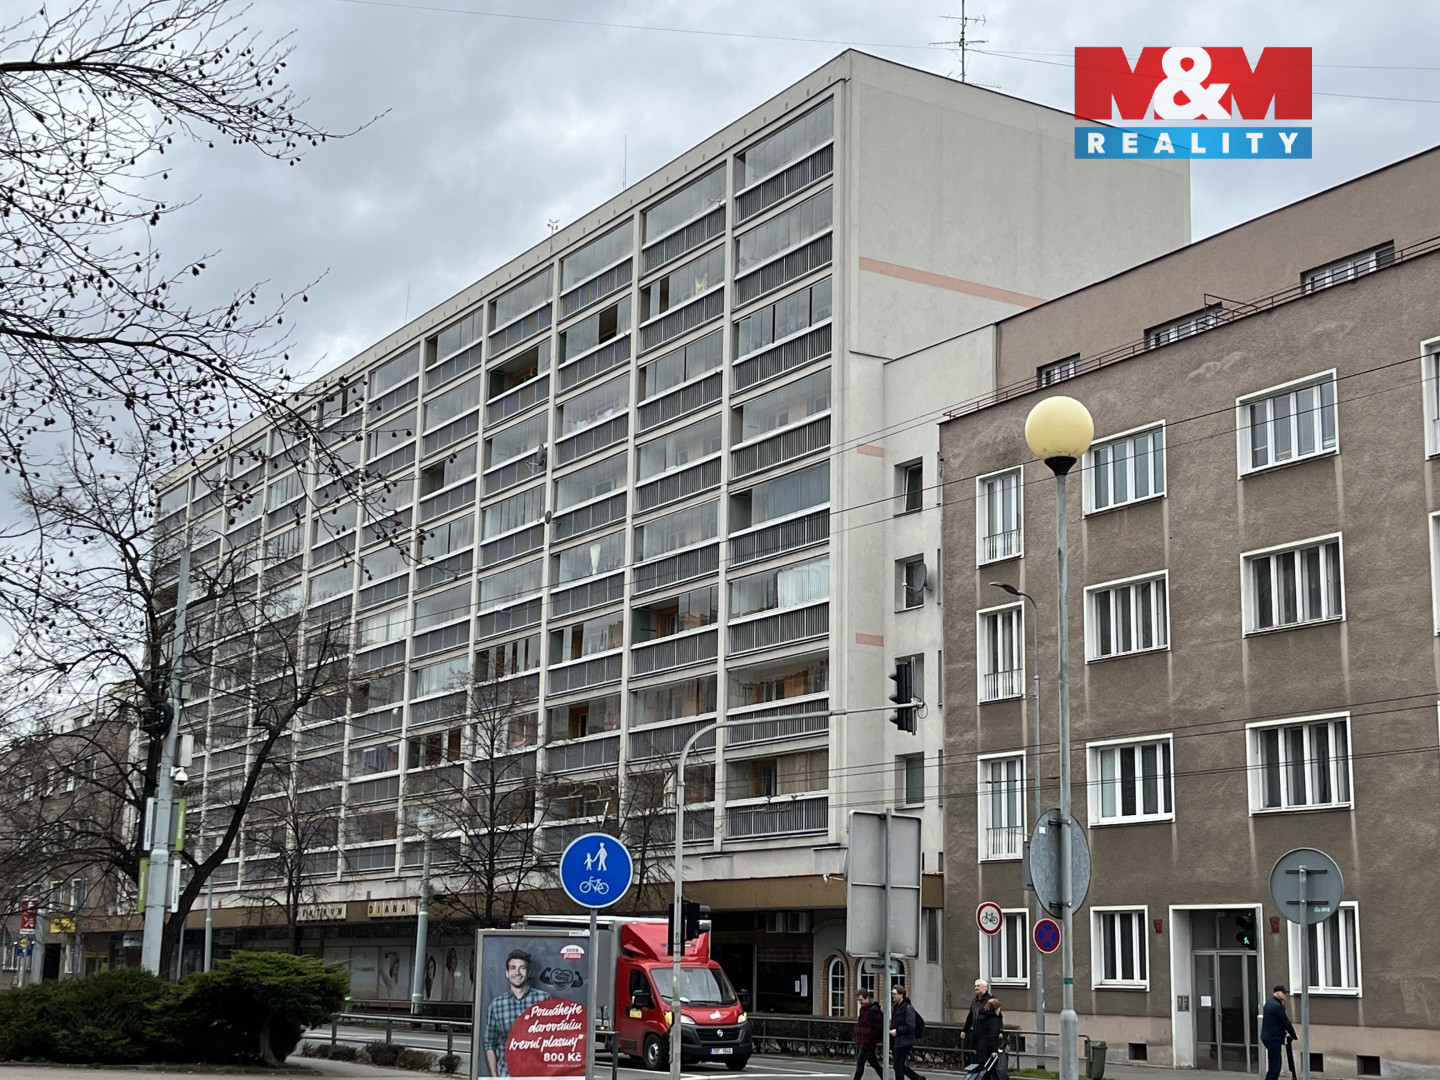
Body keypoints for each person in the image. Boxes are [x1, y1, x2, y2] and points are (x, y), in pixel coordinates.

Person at [484, 948, 548, 1076]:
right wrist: (494, 1076)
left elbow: (553, 1041)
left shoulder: (544, 999)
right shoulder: (496, 1005)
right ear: (507, 973)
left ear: (528, 972)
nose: (517, 972)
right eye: (513, 968)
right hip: (507, 1074)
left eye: (522, 968)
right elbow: (489, 1043)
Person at [1261, 985, 1298, 1080]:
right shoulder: (1277, 1006)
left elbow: (1275, 1022)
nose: (1285, 995)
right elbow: (1285, 1022)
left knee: (1275, 1065)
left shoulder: (1269, 1003)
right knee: (1275, 1067)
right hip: (1273, 1039)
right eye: (1283, 993)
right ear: (1277, 993)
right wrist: (1294, 1035)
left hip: (1268, 1037)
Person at [889, 984, 925, 1080]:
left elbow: (910, 1026)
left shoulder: (908, 1008)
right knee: (899, 1066)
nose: (893, 996)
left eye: (895, 994)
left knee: (898, 1066)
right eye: (892, 994)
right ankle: (918, 1078)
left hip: (905, 1041)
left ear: (901, 995)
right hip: (897, 1041)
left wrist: (897, 1031)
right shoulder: (896, 1007)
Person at [853, 989, 885, 1080]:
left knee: (860, 1063)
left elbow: (878, 1026)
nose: (860, 1002)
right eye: (859, 1000)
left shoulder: (873, 1010)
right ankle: (885, 1077)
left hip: (868, 1041)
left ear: (867, 998)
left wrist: (872, 1038)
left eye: (861, 1000)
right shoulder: (864, 1009)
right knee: (874, 1063)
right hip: (865, 1040)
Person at [960, 979, 993, 1065]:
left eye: (978, 986)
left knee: (984, 1058)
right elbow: (970, 1016)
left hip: (986, 1035)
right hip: (976, 1034)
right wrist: (964, 1030)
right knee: (974, 1056)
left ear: (985, 988)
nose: (976, 988)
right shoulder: (975, 1001)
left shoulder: (991, 1001)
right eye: (975, 986)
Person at [973, 998, 1006, 1079]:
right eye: (999, 1007)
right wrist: (993, 1050)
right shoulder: (993, 1020)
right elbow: (992, 1036)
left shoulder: (982, 1017)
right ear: (995, 1008)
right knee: (992, 1071)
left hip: (981, 1048)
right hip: (988, 1050)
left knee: (986, 1071)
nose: (1000, 1009)